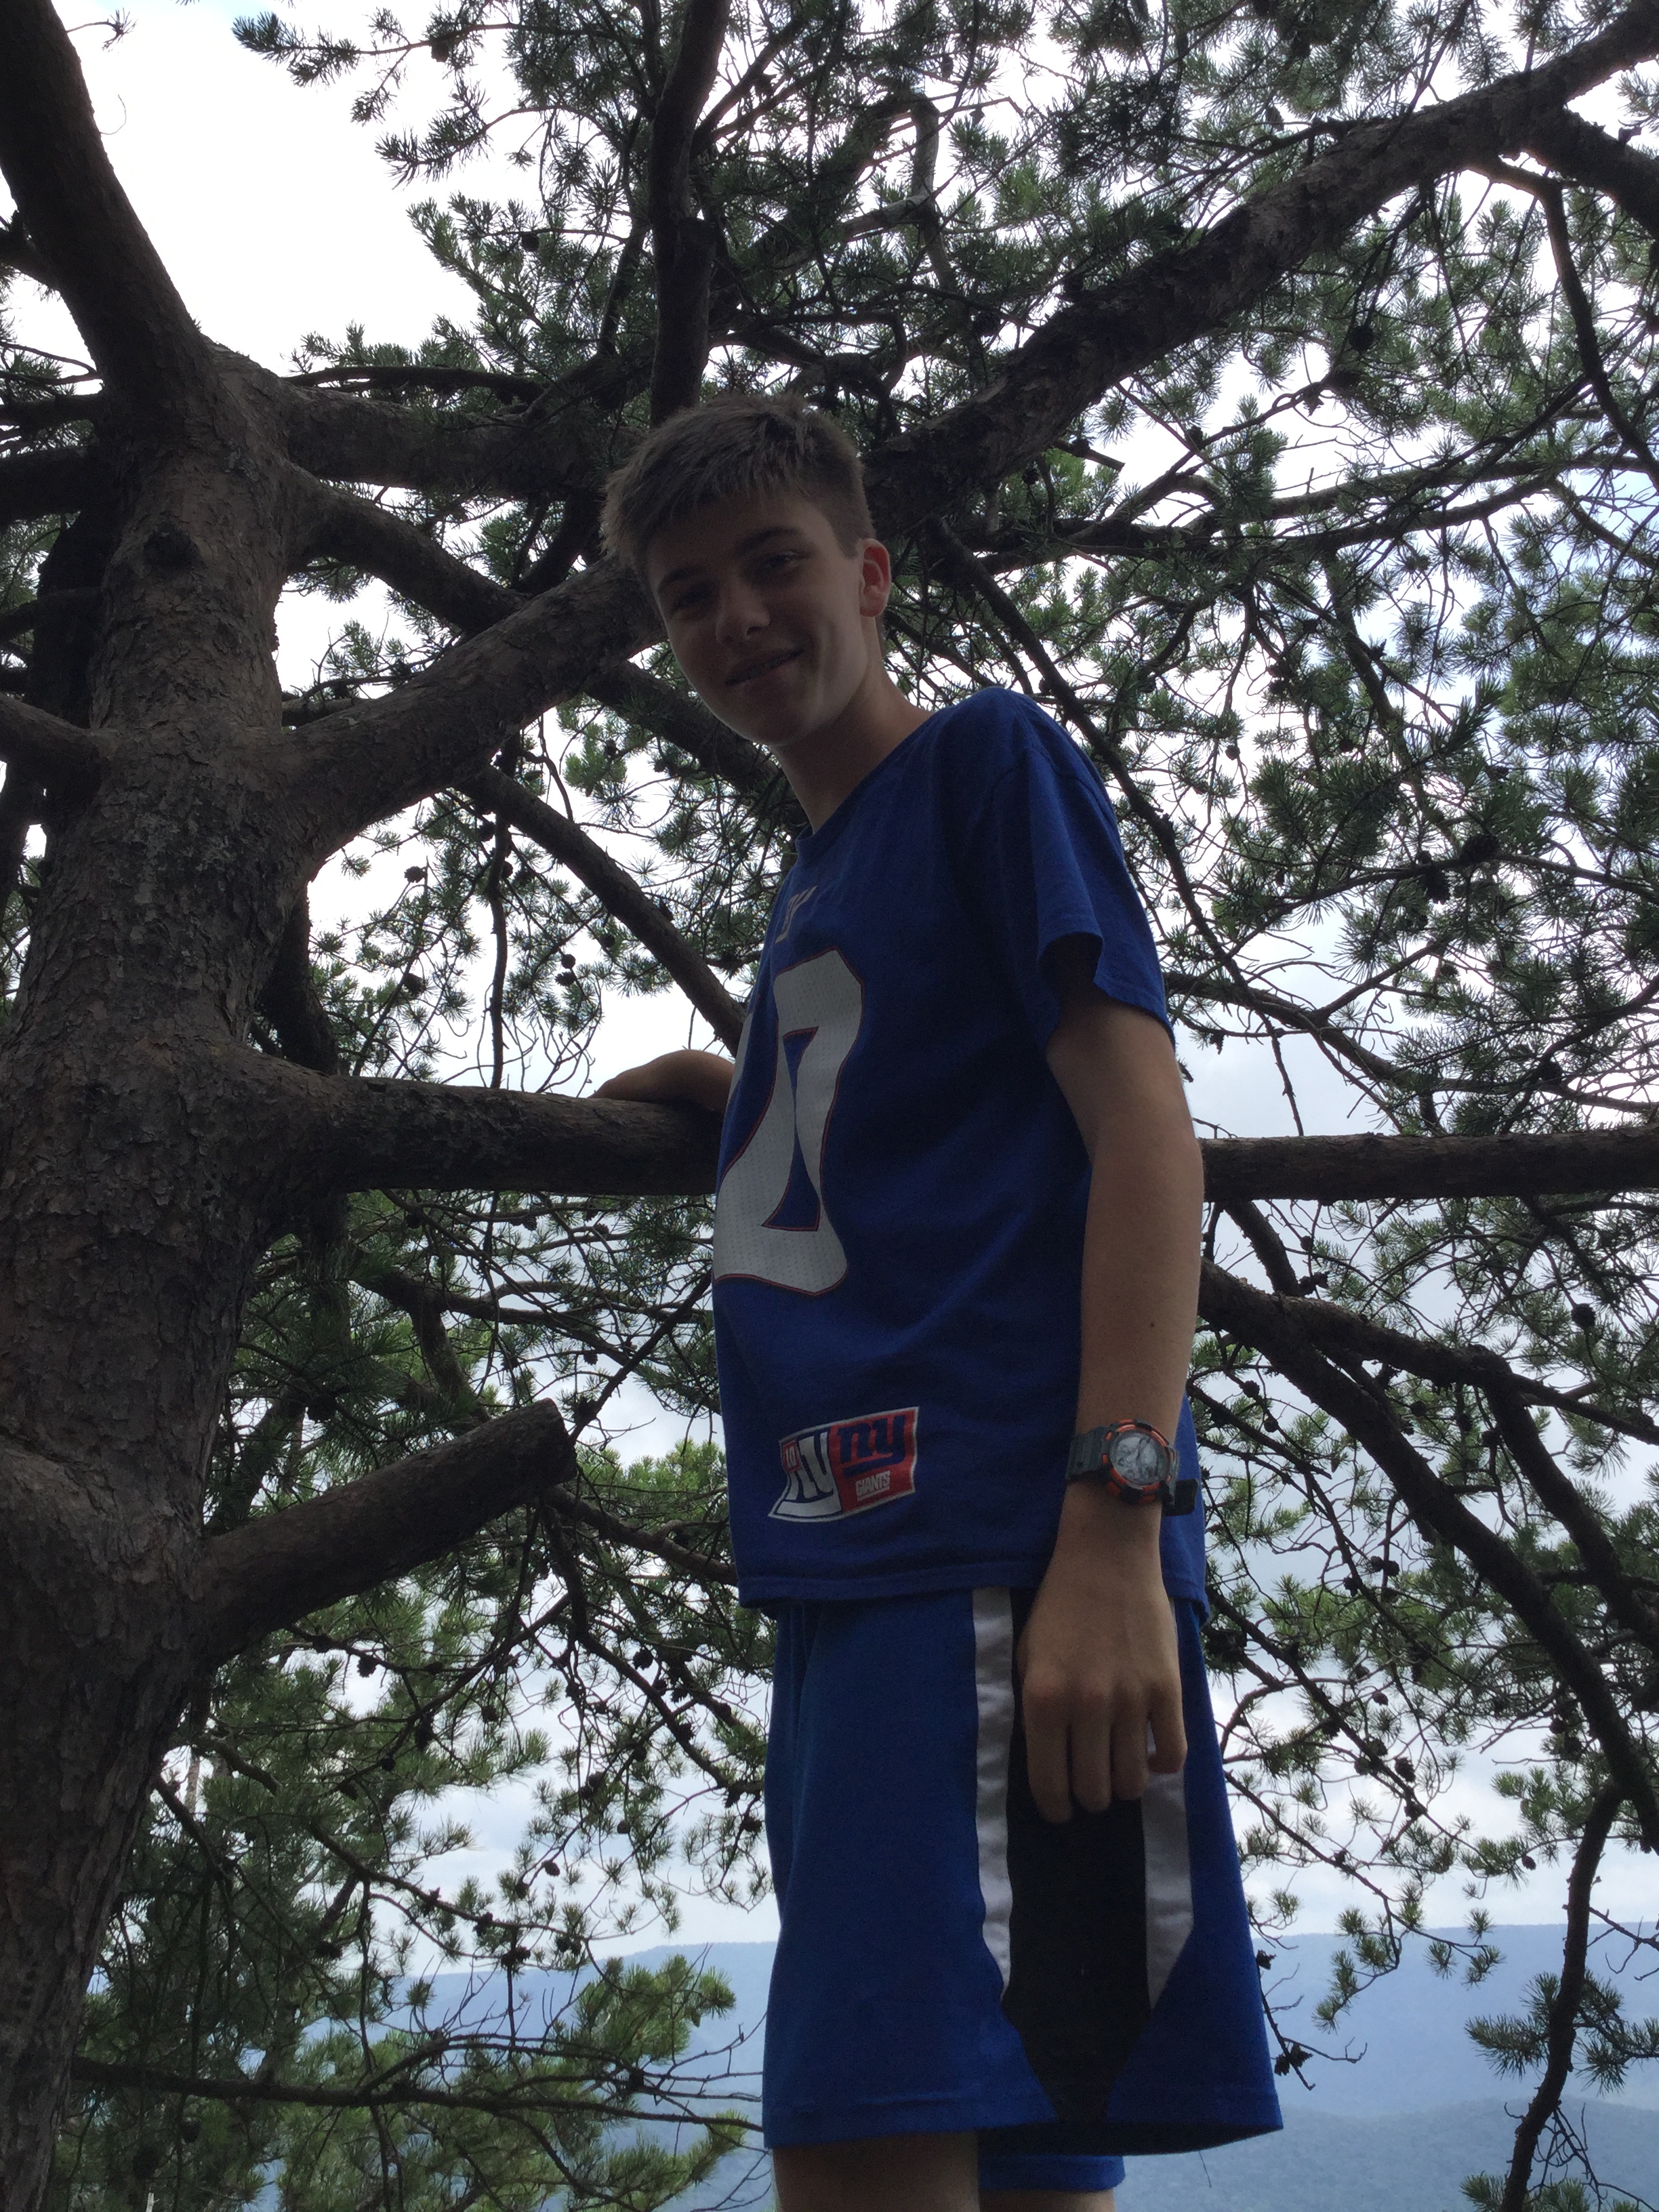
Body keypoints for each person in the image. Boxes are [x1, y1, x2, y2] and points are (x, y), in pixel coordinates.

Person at [594, 394, 1281, 2212]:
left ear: (871, 572)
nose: (738, 617)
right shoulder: (821, 874)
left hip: (988, 1559)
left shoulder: (985, 763)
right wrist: (739, 1093)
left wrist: (1115, 1526)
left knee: (868, 2132)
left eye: (775, 564)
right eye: (690, 594)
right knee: (1018, 2153)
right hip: (867, 1567)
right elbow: (919, 1123)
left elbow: (1145, 1134)